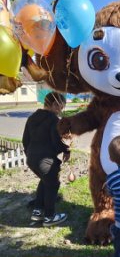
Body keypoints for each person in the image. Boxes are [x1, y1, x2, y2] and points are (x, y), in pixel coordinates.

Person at [22, 92, 70, 227]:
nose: (61, 110)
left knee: (45, 181)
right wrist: (66, 149)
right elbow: (55, 143)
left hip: (31, 158)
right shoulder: (54, 120)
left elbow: (25, 140)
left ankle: (37, 211)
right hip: (45, 159)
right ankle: (49, 217)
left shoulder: (32, 118)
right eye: (61, 107)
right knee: (53, 184)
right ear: (55, 104)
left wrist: (31, 154)